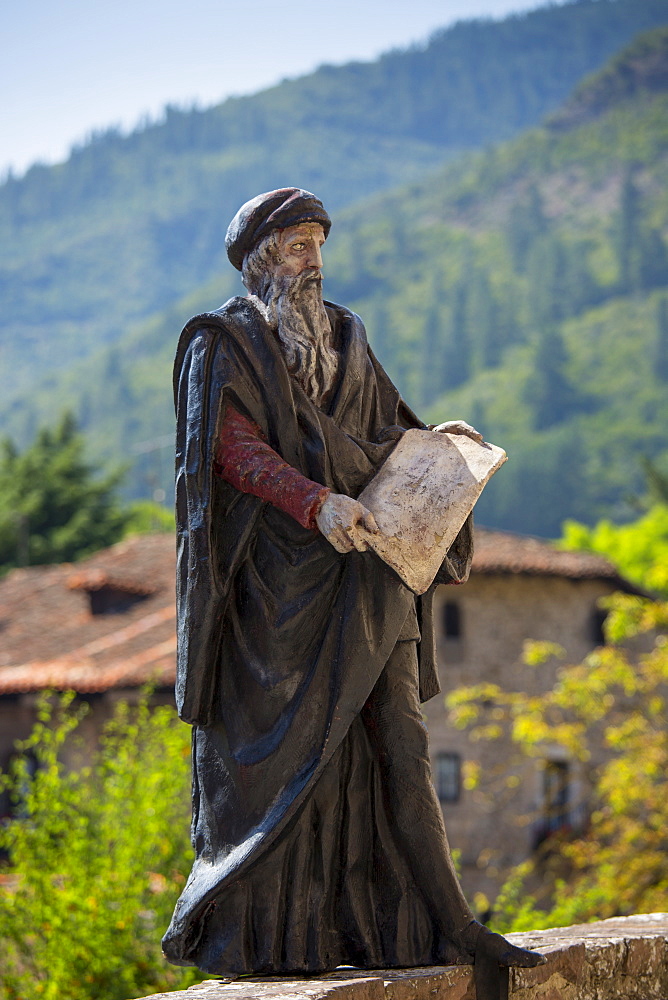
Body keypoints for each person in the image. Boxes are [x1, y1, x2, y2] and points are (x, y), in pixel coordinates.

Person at [162, 189, 544, 997]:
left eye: (318, 243)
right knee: (293, 767)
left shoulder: (349, 336)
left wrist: (444, 445)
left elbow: (387, 434)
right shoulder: (224, 343)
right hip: (277, 596)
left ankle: (450, 924)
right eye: (297, 245)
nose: (313, 260)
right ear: (262, 257)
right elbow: (229, 451)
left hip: (371, 575)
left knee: (401, 746)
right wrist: (314, 500)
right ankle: (271, 932)